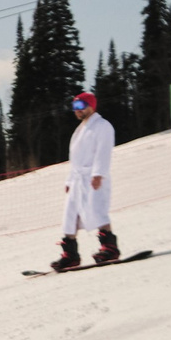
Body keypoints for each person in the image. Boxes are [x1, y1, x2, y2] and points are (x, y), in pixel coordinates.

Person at [51, 92, 119, 271]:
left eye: (80, 106)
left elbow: (103, 151)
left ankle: (110, 248)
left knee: (98, 210)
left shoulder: (102, 126)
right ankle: (70, 255)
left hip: (93, 178)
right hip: (77, 181)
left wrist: (98, 173)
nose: (77, 111)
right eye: (75, 107)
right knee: (69, 216)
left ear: (91, 106)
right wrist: (70, 179)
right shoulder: (80, 129)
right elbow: (75, 158)